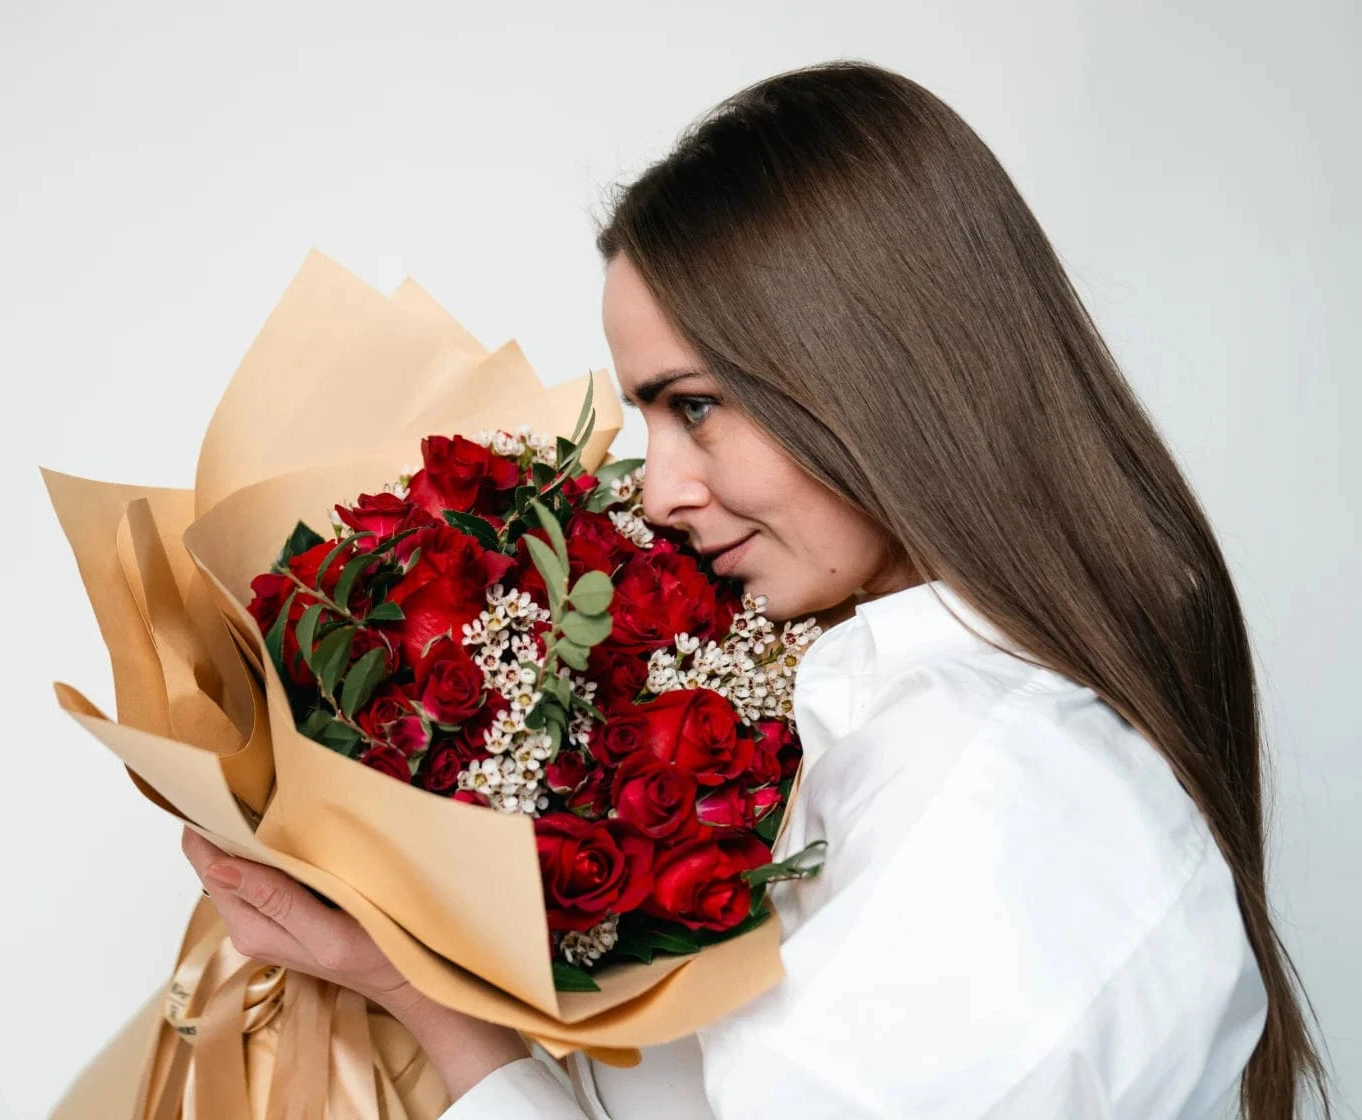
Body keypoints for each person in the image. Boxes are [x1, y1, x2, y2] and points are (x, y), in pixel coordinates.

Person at [181, 60, 1335, 1118]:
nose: (662, 487)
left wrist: (428, 1000)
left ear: (881, 372)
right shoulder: (886, 720)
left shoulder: (1008, 803)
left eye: (693, 405)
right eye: (642, 414)